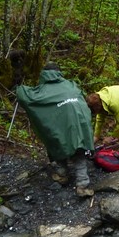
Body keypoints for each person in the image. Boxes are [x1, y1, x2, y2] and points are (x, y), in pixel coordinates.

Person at [16, 62, 95, 197]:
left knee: (56, 143)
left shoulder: (42, 91)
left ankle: (62, 174)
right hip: (80, 124)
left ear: (44, 75)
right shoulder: (71, 85)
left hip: (59, 127)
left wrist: (19, 88)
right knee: (79, 152)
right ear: (59, 73)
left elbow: (26, 97)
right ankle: (82, 185)